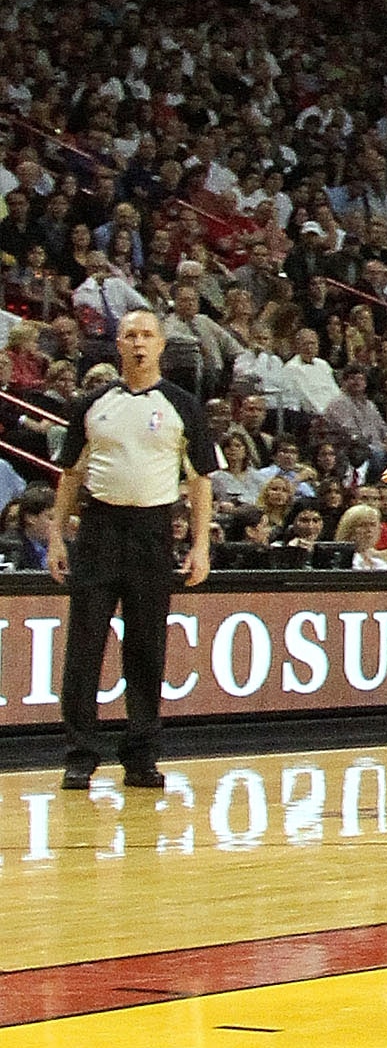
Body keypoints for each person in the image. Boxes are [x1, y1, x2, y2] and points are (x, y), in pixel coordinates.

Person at [50, 315, 214, 792]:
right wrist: (58, 537)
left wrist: (200, 545)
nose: (139, 343)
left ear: (161, 344)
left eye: (147, 335)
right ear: (117, 345)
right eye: (131, 336)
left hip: (152, 531)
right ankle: (80, 756)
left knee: (146, 648)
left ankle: (141, 755)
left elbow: (200, 481)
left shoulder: (183, 405)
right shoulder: (92, 404)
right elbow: (70, 476)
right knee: (84, 646)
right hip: (99, 528)